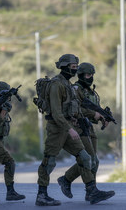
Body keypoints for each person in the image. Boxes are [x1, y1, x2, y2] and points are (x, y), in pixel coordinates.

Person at [35, 54, 114, 206]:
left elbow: (75, 109)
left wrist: (94, 116)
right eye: (73, 67)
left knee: (86, 158)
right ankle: (41, 195)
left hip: (69, 127)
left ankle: (92, 191)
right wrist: (70, 129)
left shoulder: (67, 85)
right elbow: (57, 114)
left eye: (76, 67)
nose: (75, 70)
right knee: (49, 162)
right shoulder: (56, 85)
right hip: (57, 129)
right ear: (64, 67)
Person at [57, 62, 115, 201]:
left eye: (92, 75)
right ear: (81, 75)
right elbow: (75, 109)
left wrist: (103, 117)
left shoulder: (90, 91)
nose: (90, 78)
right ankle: (83, 187)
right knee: (90, 159)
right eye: (88, 75)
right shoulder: (75, 89)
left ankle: (89, 191)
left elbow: (94, 108)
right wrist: (93, 114)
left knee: (94, 161)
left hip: (89, 127)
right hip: (78, 126)